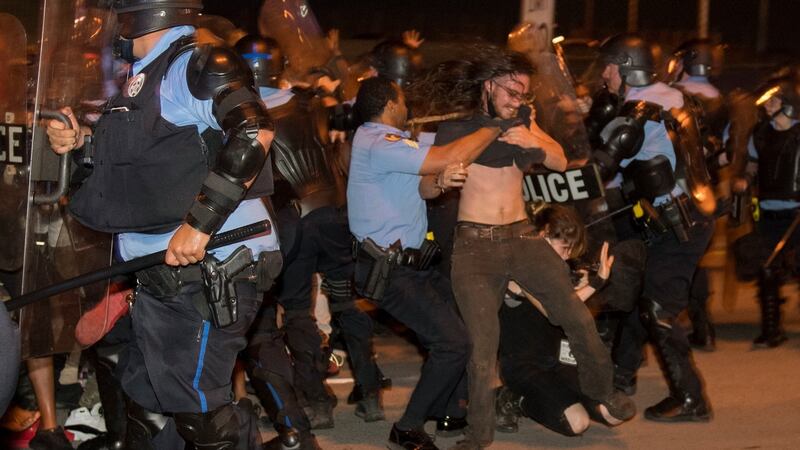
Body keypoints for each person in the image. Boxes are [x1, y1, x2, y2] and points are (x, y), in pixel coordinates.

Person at [46, 1, 283, 448]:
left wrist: (200, 224)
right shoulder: (141, 80)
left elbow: (253, 130)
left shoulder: (197, 63)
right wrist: (82, 142)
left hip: (210, 268)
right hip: (157, 274)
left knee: (201, 418)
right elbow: (150, 161)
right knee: (149, 407)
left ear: (139, 13)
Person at [417, 47, 633, 449]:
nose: (519, 100)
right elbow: (425, 186)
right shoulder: (457, 128)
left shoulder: (523, 119)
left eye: (524, 93)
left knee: (577, 316)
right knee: (483, 347)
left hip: (521, 235)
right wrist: (444, 180)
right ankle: (478, 436)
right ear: (489, 85)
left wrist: (530, 135)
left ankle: (603, 390)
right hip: (475, 245)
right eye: (513, 91)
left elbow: (559, 159)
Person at [348, 76, 513, 450]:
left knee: (460, 332)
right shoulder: (377, 142)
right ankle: (407, 428)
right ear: (391, 104)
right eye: (404, 101)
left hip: (414, 266)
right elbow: (447, 154)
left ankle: (451, 409)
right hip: (389, 270)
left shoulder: (396, 144)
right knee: (452, 343)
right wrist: (495, 125)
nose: (409, 109)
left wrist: (441, 180)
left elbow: (428, 180)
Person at [235, 34, 386, 428]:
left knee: (298, 311)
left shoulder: (243, 116)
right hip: (334, 215)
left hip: (293, 222)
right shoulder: (310, 102)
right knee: (344, 300)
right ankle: (370, 392)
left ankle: (316, 401)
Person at [586, 33, 715, 422]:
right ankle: (622, 374)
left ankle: (692, 399)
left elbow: (599, 169)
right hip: (684, 214)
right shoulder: (675, 97)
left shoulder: (637, 113)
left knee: (657, 309)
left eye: (607, 66)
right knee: (641, 294)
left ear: (622, 67)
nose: (603, 75)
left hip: (677, 222)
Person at [497, 205, 628, 437]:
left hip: (558, 361)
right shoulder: (521, 267)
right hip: (524, 366)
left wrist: (585, 282)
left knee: (613, 414)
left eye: (571, 250)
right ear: (543, 234)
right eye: (564, 247)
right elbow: (556, 310)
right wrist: (596, 283)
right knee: (578, 423)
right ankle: (513, 398)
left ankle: (564, 397)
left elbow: (571, 307)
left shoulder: (555, 269)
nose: (567, 256)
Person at [732, 76, 800, 348]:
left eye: (774, 100)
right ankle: (772, 330)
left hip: (797, 213)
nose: (768, 105)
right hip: (769, 212)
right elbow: (752, 164)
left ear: (790, 104)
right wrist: (744, 181)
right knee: (767, 268)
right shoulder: (760, 134)